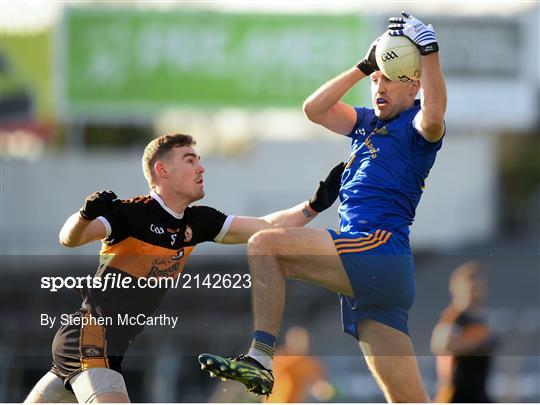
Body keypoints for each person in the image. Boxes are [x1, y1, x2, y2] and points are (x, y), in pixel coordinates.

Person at [198, 12, 447, 402]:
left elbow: (435, 114)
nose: (377, 86)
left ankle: (260, 360)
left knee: (265, 246)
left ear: (413, 86)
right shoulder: (365, 123)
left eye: (388, 78)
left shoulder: (417, 126)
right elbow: (314, 109)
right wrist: (363, 66)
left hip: (375, 249)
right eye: (375, 79)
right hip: (380, 276)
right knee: (408, 400)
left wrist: (429, 51)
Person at [24, 133, 343, 403]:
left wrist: (314, 204)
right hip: (89, 339)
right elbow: (69, 238)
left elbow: (266, 226)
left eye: (199, 159)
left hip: (107, 349)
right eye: (190, 160)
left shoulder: (198, 222)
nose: (201, 167)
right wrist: (84, 214)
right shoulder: (131, 214)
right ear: (162, 170)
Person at [431, 261, 496, 402]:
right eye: (471, 287)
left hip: (478, 392)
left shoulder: (481, 318)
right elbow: (441, 345)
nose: (476, 291)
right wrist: (477, 343)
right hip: (456, 394)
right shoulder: (455, 317)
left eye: (479, 286)